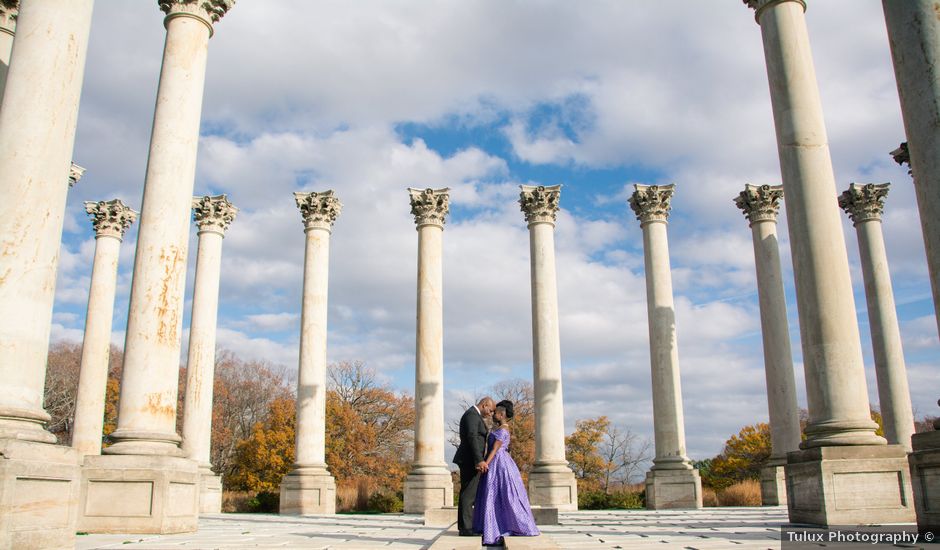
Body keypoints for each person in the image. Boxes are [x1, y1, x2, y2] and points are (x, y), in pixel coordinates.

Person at [472, 399, 539, 545]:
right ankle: (493, 525)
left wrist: (485, 464)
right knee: (495, 494)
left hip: (499, 463)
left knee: (501, 493)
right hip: (499, 462)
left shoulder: (503, 430)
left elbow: (495, 450)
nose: (492, 414)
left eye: (495, 413)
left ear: (502, 414)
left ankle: (508, 525)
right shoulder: (498, 428)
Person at [453, 396, 495, 537]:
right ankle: (466, 528)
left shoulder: (474, 414)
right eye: (491, 410)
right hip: (470, 460)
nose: (491, 413)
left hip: (470, 459)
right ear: (484, 405)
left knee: (468, 493)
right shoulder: (471, 415)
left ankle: (465, 527)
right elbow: (471, 437)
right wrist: (479, 460)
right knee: (468, 494)